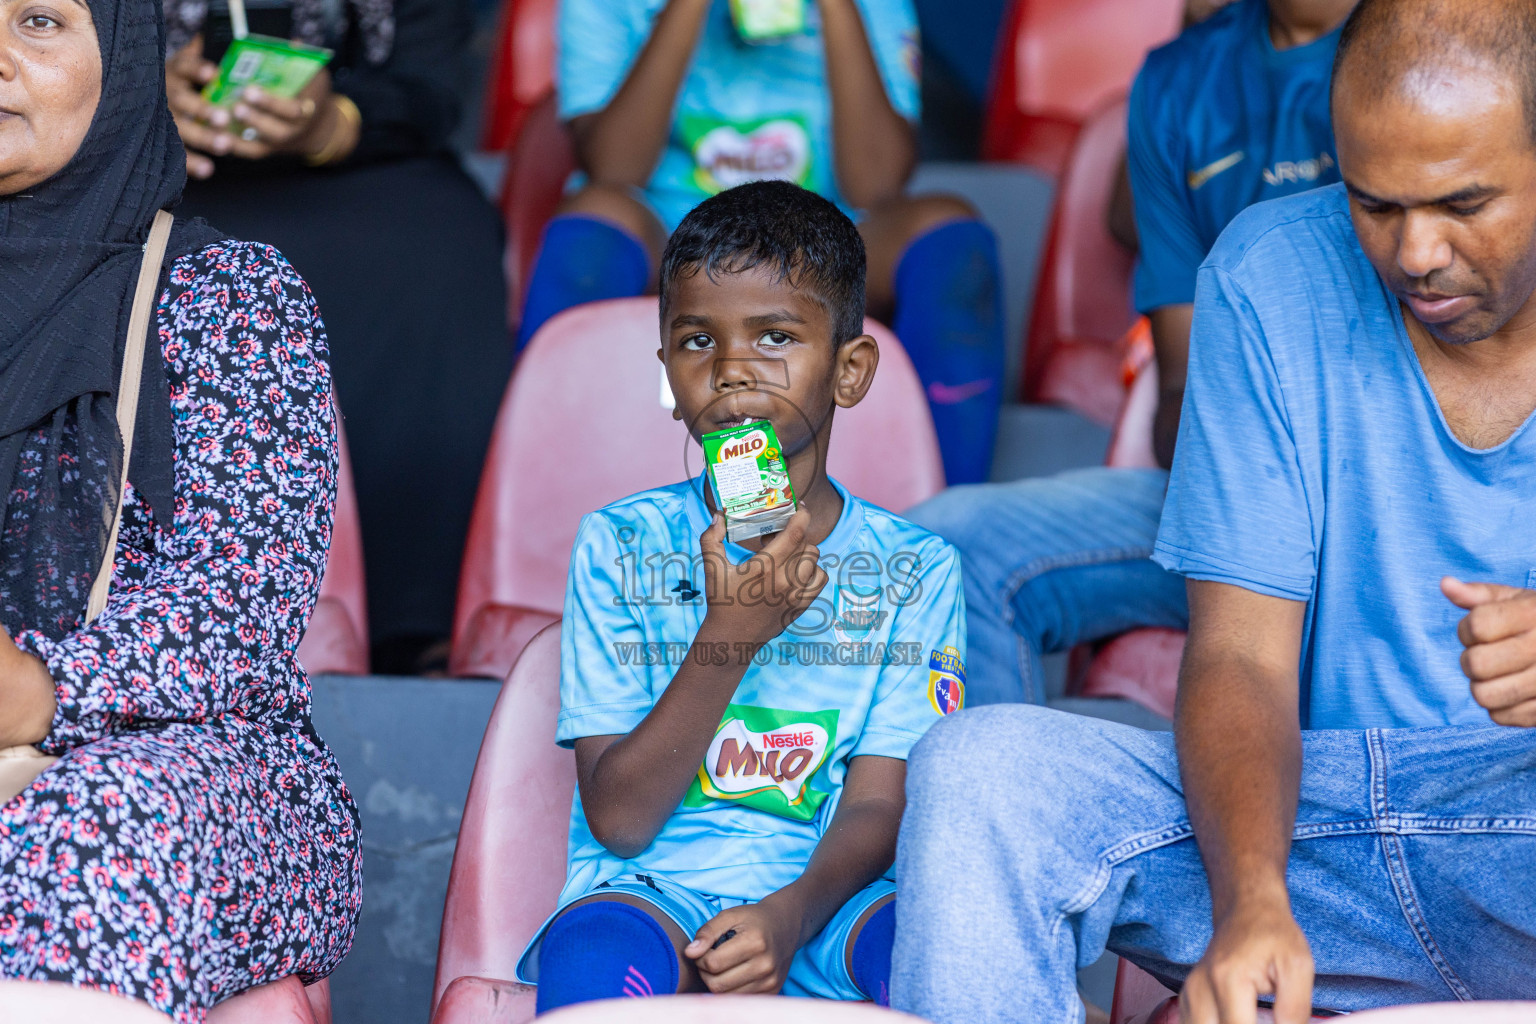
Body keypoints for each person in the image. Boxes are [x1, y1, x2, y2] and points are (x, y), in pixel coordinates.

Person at [892, 0, 1536, 1020]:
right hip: (1322, 829)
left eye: (1463, 203)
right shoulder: (1268, 273)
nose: (1414, 251)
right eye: (1375, 205)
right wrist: (1254, 904)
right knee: (982, 774)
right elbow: (1240, 656)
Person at [515, 182, 966, 1012]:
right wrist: (731, 636)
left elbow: (878, 805)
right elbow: (619, 820)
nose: (729, 370)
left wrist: (790, 916)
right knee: (588, 958)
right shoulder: (619, 545)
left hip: (831, 901)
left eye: (775, 336)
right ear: (668, 376)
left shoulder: (918, 568)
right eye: (696, 340)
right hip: (651, 886)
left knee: (948, 957)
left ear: (850, 370)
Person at [0, 0, 361, 1019]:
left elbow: (241, 610)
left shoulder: (227, 294)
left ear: (121, 64)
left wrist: (40, 690)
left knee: (107, 824)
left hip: (185, 764)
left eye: (37, 22)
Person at [908, 0, 1353, 707]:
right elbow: (1178, 386)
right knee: (944, 548)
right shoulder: (1181, 79)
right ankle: (994, 809)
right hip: (1244, 491)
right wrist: (1255, 454)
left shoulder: (1430, 45)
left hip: (1415, 498)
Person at [519, 0, 1006, 486]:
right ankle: (535, 486)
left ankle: (950, 513)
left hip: (823, 239)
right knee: (594, 219)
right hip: (668, 236)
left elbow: (877, 187)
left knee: (948, 231)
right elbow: (615, 169)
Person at [162, 0, 512, 670]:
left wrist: (331, 122)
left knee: (446, 245)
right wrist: (146, 105)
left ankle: (412, 624)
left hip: (368, 170)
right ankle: (183, 604)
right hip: (175, 175)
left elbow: (433, 89)